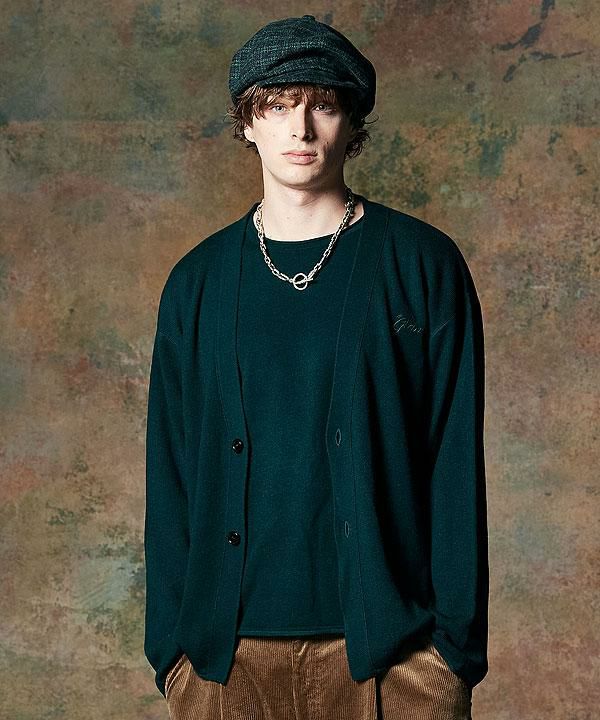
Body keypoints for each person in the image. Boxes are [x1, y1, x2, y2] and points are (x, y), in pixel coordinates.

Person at [144, 14, 489, 720]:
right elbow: (171, 472)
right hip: (223, 665)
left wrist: (450, 656)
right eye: (277, 106)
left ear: (351, 121)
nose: (300, 129)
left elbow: (453, 463)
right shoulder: (196, 284)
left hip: (393, 660)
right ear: (248, 122)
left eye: (322, 105)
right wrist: (173, 655)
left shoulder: (422, 267)